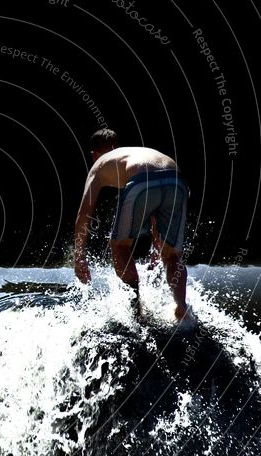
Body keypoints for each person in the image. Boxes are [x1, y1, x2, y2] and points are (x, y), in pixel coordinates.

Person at [73, 129, 191, 320]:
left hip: (142, 181)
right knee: (172, 255)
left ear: (94, 155)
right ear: (115, 147)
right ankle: (181, 306)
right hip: (176, 180)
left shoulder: (99, 165)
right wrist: (158, 243)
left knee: (120, 245)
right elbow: (155, 203)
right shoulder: (132, 153)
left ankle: (136, 313)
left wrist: (79, 257)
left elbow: (84, 213)